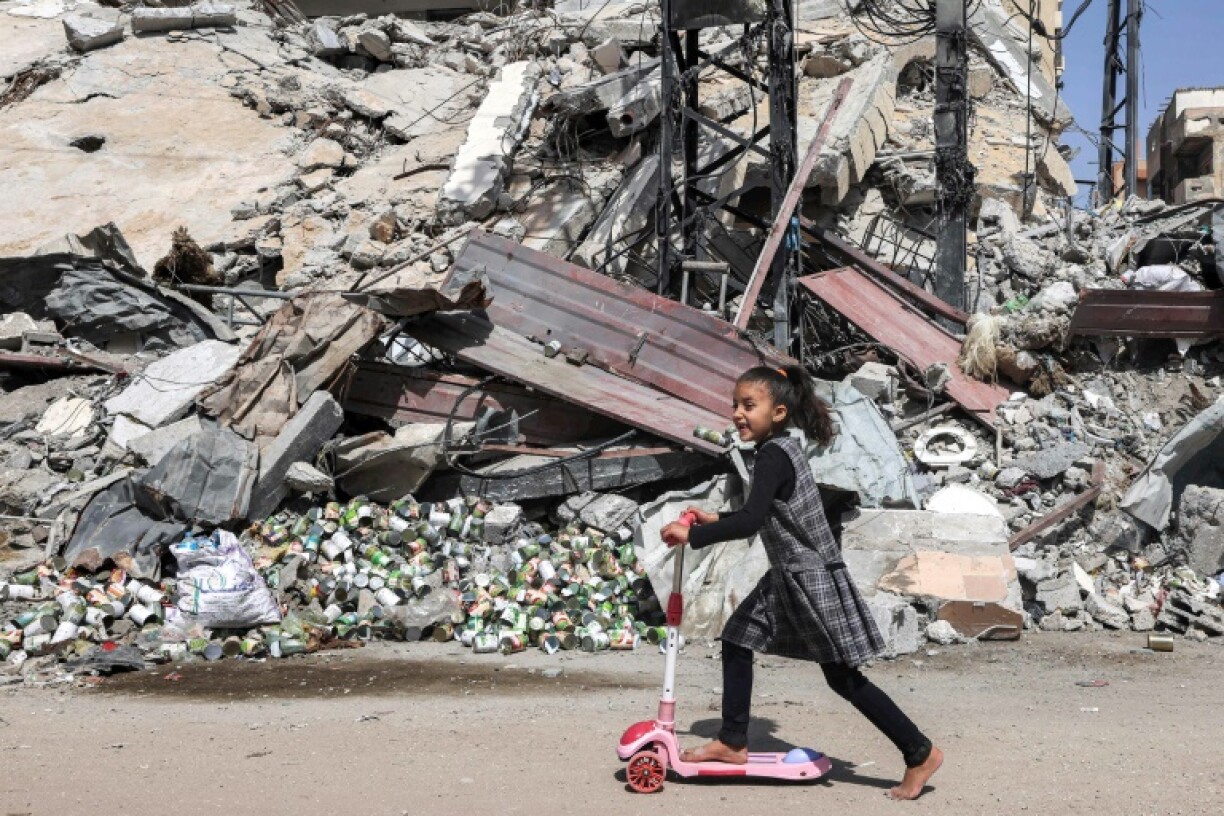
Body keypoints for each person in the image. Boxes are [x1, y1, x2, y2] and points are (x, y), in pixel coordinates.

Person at [660, 365, 943, 801]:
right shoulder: (782, 449)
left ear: (777, 412)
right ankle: (733, 741)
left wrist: (693, 535)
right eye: (735, 404)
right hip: (790, 575)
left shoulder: (772, 455)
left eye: (748, 406)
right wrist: (714, 517)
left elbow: (753, 519)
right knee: (736, 640)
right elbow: (764, 510)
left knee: (842, 678)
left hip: (808, 578)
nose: (738, 413)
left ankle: (919, 751)